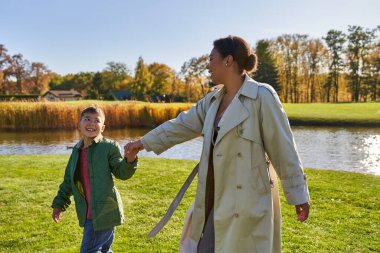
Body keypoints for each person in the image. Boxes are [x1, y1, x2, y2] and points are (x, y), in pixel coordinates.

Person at [126, 35, 310, 253]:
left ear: (228, 60)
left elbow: (283, 149)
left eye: (212, 58)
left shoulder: (262, 96)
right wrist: (143, 142)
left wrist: (298, 194)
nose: (207, 65)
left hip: (247, 201)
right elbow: (181, 125)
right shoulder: (212, 101)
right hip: (213, 196)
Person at [51, 105, 139, 253]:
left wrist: (130, 160)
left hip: (104, 212)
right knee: (104, 250)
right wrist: (59, 204)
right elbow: (68, 181)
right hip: (88, 213)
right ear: (79, 125)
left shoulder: (109, 147)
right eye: (87, 119)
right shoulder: (76, 151)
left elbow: (121, 172)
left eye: (96, 120)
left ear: (102, 128)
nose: (91, 123)